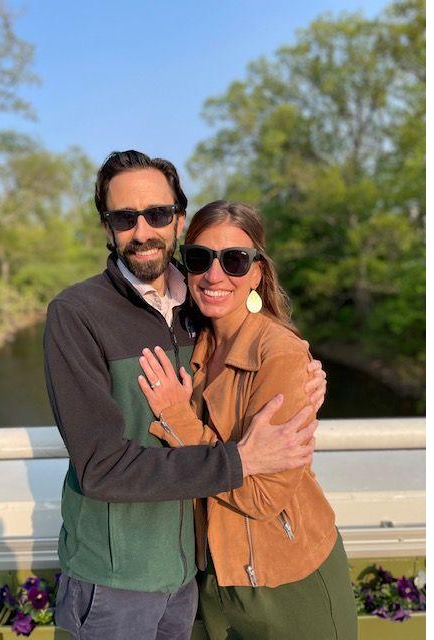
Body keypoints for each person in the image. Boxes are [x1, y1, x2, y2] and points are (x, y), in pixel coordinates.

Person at [44, 151, 328, 640]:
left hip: (190, 574)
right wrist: (238, 461)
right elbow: (101, 468)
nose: (142, 231)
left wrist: (306, 376)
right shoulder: (77, 314)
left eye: (157, 214)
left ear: (178, 219)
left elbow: (252, 358)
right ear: (107, 226)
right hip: (115, 580)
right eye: (125, 218)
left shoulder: (200, 298)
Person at [138, 200, 358, 640]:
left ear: (257, 272)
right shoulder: (192, 344)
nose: (214, 275)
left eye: (234, 260)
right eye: (199, 258)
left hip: (288, 586)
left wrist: (178, 417)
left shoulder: (280, 355)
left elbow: (262, 496)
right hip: (212, 581)